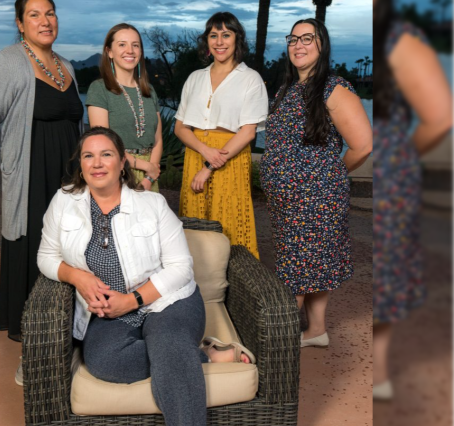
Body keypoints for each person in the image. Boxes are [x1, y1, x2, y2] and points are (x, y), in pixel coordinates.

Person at [37, 126, 254, 426]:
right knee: (105, 361)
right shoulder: (64, 201)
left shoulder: (152, 205)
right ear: (81, 164)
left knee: (168, 342)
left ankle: (178, 356)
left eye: (106, 155)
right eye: (88, 155)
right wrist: (77, 277)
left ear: (122, 162)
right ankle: (204, 356)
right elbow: (46, 257)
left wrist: (133, 299)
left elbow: (180, 268)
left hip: (168, 300)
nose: (97, 163)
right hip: (108, 311)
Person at [0, 0, 84, 383]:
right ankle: (35, 353)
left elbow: (77, 125)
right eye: (34, 14)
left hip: (69, 180)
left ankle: (71, 336)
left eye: (49, 13)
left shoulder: (66, 67)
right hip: (33, 179)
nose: (44, 20)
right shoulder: (7, 62)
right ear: (20, 24)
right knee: (38, 252)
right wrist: (10, 163)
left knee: (72, 250)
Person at [259, 18, 372, 349]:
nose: (298, 45)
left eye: (307, 38)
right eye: (293, 39)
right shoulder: (287, 89)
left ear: (321, 45)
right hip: (289, 201)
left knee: (297, 268)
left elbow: (363, 145)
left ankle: (280, 345)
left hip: (315, 199)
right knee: (311, 264)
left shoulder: (333, 87)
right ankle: (316, 329)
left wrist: (328, 174)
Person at [372, 0, 454, 400]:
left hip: (393, 175)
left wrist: (400, 155)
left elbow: (441, 115)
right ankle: (379, 374)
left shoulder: (401, 38)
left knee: (388, 271)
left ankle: (380, 372)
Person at [174, 12, 268, 259]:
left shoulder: (251, 79)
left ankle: (237, 289)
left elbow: (248, 133)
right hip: (196, 156)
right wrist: (204, 152)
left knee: (228, 225)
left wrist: (209, 165)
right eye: (213, 35)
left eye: (226, 35)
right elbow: (180, 128)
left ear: (238, 39)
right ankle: (196, 288)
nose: (219, 41)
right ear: (206, 42)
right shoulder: (195, 78)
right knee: (194, 228)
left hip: (229, 159)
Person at [86, 23, 162, 192]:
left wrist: (149, 176)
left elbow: (158, 140)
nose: (130, 50)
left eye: (135, 45)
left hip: (151, 175)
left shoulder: (149, 91)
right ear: (110, 52)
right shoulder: (99, 89)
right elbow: (104, 145)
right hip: (116, 172)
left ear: (140, 52)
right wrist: (144, 166)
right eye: (122, 44)